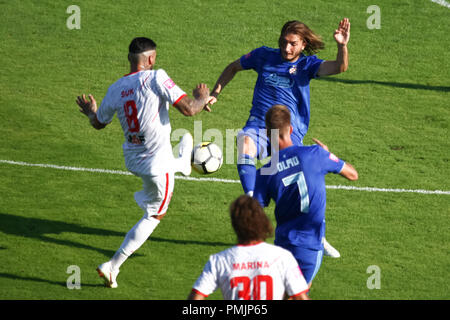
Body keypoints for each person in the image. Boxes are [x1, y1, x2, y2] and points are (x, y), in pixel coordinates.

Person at [76, 37, 212, 288]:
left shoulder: (116, 88)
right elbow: (189, 109)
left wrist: (90, 112)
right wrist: (203, 96)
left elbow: (98, 123)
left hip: (134, 158)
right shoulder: (156, 77)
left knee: (181, 146)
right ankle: (112, 266)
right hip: (156, 164)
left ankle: (182, 163)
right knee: (155, 214)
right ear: (150, 59)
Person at [208, 18, 351, 257]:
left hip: (288, 134)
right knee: (244, 141)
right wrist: (215, 94)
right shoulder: (264, 55)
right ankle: (253, 202)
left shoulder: (307, 65)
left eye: (293, 44)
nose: (287, 48)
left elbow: (339, 67)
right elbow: (232, 67)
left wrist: (342, 46)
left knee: (297, 190)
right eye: (284, 42)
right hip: (259, 125)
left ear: (303, 44)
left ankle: (318, 235)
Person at [253, 105, 358, 287]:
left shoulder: (264, 171)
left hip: (282, 246)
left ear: (267, 134)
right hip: (310, 245)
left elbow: (254, 212)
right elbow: (352, 174)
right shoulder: (315, 154)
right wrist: (327, 154)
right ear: (291, 129)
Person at [188, 195, 310, 300]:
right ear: (263, 222)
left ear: (235, 225)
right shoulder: (282, 257)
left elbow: (196, 298)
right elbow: (300, 297)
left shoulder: (219, 261)